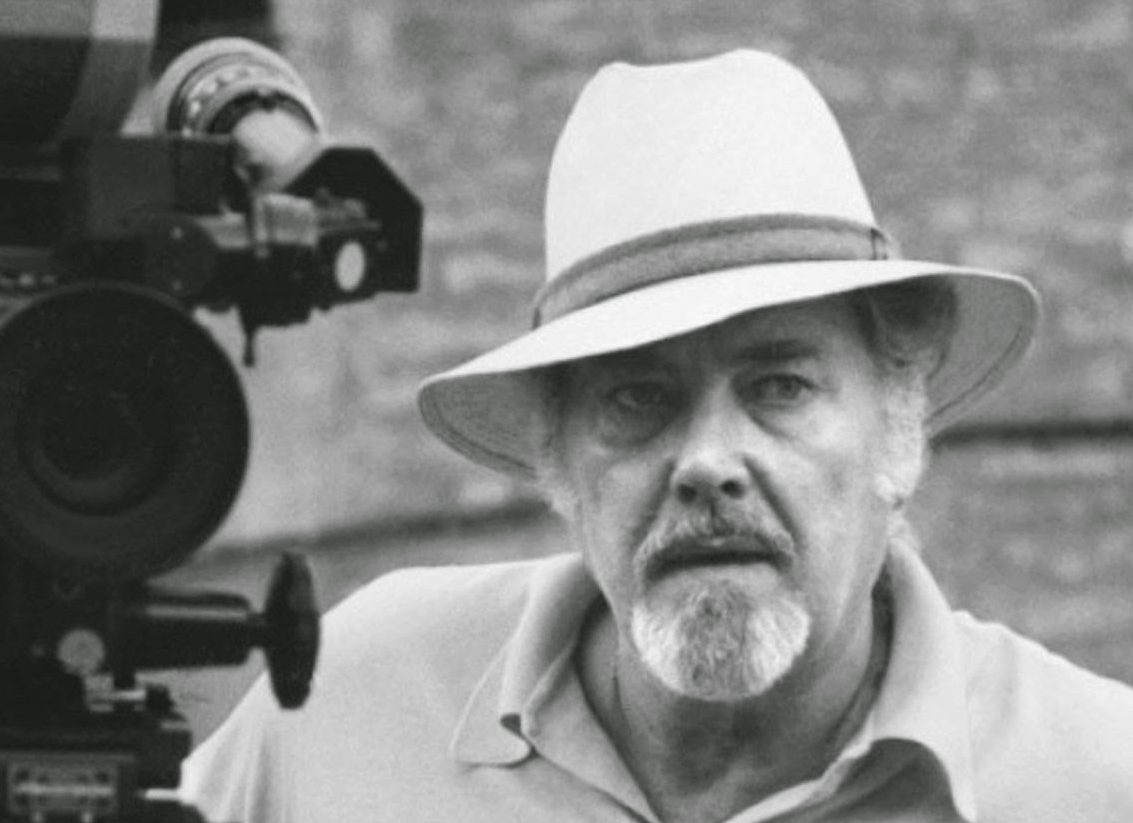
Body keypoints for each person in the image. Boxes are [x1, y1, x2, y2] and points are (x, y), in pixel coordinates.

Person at [181, 50, 1133, 822]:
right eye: (637, 397)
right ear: (557, 459)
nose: (707, 461)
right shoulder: (356, 698)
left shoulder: (1090, 780)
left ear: (897, 426)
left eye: (780, 386)